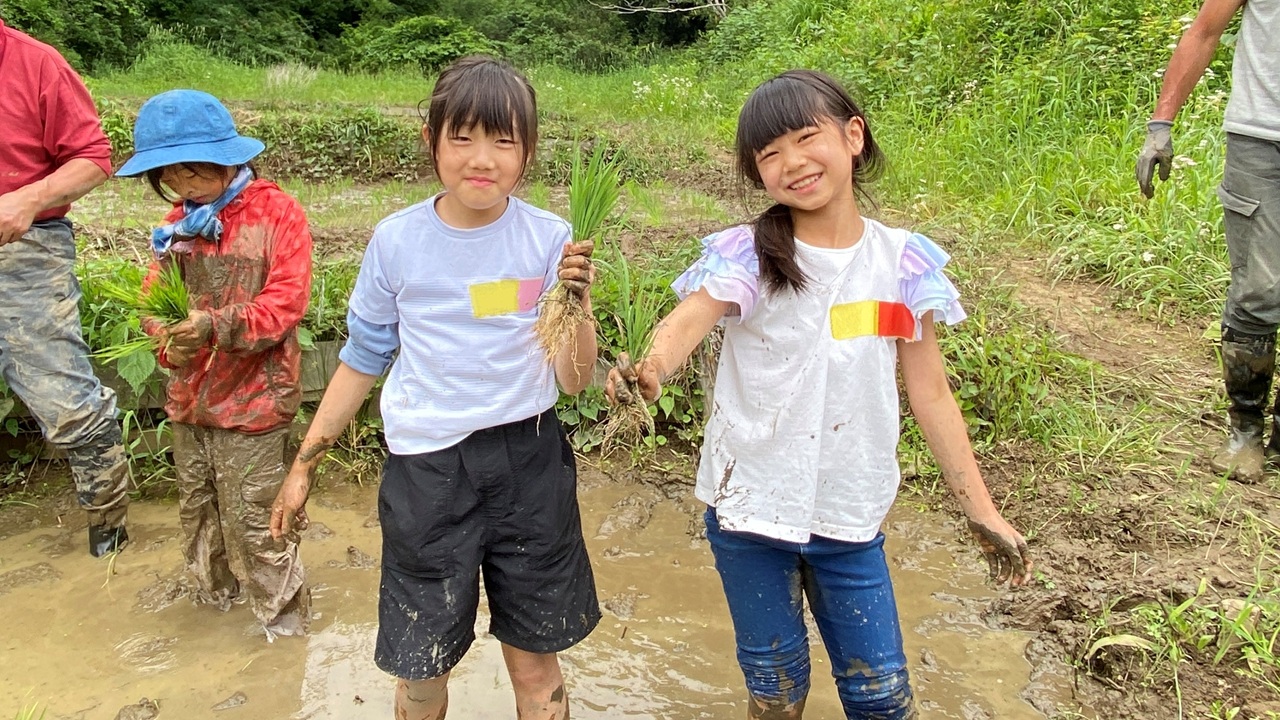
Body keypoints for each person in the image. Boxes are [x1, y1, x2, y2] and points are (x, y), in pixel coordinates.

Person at [607, 70, 1032, 720]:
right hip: (749, 511)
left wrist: (983, 510)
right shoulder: (748, 256)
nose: (793, 163)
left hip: (848, 516)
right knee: (776, 693)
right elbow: (690, 318)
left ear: (853, 136)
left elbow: (933, 395)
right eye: (770, 154)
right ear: (756, 172)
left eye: (807, 139)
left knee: (882, 696)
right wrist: (653, 366)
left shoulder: (902, 266)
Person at [269, 56, 600, 719]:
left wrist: (577, 302)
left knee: (537, 665)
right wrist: (304, 465)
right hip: (429, 471)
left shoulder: (550, 238)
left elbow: (572, 379)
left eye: (504, 141)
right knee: (421, 665)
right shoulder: (397, 242)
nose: (483, 159)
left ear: (528, 150)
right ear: (432, 140)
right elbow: (363, 357)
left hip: (529, 459)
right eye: (464, 137)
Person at [116, 89, 313, 639]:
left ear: (228, 157)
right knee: (200, 519)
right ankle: (211, 618)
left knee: (258, 524)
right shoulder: (176, 225)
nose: (183, 186)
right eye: (170, 177)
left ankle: (285, 630)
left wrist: (212, 325)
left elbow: (285, 305)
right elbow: (152, 301)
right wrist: (166, 341)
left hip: (255, 403)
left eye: (192, 171)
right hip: (189, 403)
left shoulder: (278, 213)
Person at [0, 17, 130, 556]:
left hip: (22, 248)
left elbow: (94, 158)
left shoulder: (34, 62)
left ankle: (109, 530)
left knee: (65, 399)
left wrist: (28, 200)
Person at [1136, 0, 1279, 483]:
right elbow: (1204, 31)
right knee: (1259, 290)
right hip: (1261, 139)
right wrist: (1161, 126)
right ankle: (1246, 429)